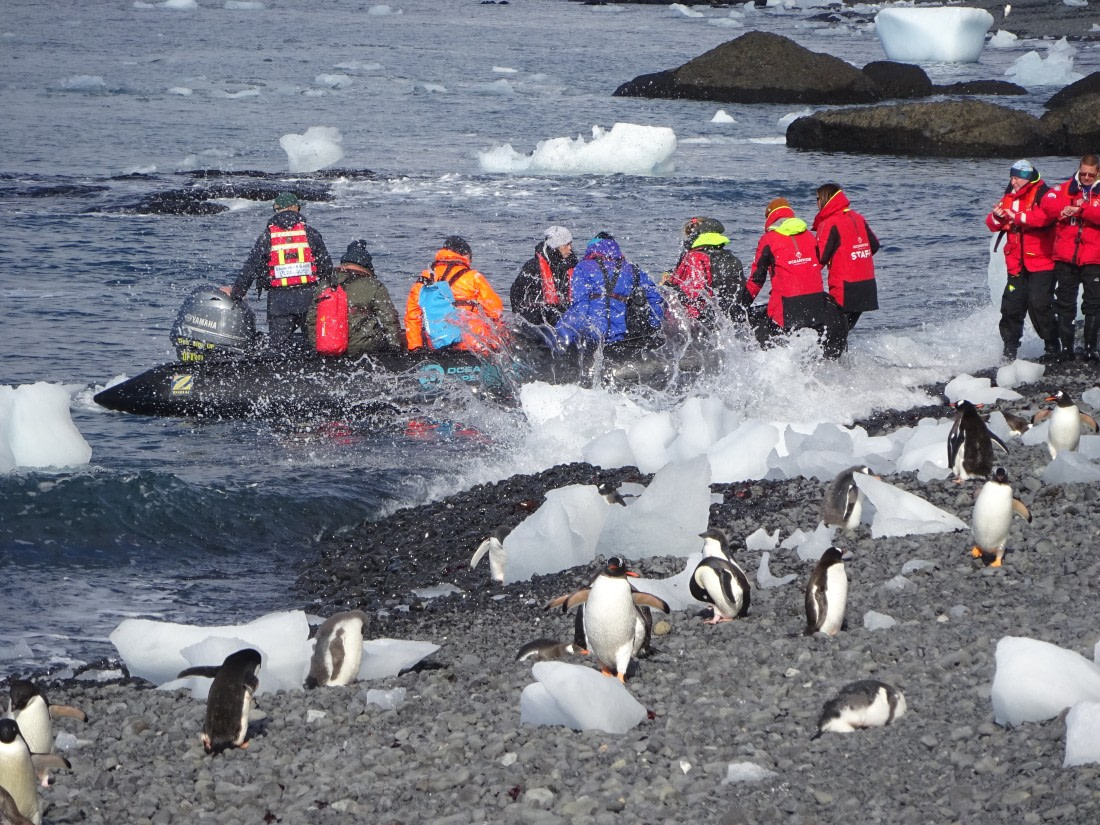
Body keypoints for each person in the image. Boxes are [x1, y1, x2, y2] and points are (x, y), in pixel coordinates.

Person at [744, 197, 846, 358]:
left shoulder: (768, 240)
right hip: (817, 307)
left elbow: (756, 280)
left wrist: (740, 305)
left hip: (786, 311)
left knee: (760, 332)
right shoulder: (810, 237)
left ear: (770, 218)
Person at [231, 191, 333, 347]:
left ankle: (277, 370)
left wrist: (237, 292)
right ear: (295, 208)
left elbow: (250, 267)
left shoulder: (267, 237)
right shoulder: (310, 233)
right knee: (314, 344)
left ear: (277, 209)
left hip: (279, 302)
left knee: (277, 347)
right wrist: (334, 289)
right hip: (309, 298)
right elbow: (327, 267)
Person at [984, 160, 1057, 363]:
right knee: (1011, 307)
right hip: (1016, 263)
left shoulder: (1044, 194)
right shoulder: (1009, 196)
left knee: (1040, 306)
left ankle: (1052, 347)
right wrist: (999, 217)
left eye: (1015, 178)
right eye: (1012, 177)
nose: (1012, 181)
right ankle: (1009, 351)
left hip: (1042, 263)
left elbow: (1044, 218)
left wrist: (1016, 217)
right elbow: (991, 223)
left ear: (1025, 178)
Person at [552, 232, 664, 350]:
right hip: (623, 334)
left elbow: (580, 305)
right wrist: (654, 326)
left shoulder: (583, 267)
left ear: (592, 247)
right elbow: (654, 300)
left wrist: (571, 336)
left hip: (594, 336)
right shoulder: (632, 268)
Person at [1040, 154, 1100, 361]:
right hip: (1066, 257)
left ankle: (1091, 349)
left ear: (1098, 172)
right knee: (1065, 303)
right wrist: (1065, 209)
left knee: (1093, 303)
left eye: (1090, 175)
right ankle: (1067, 350)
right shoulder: (1065, 188)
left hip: (1094, 258)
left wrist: (1080, 209)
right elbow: (1047, 203)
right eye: (1082, 173)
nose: (1085, 177)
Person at [404, 235, 505, 354]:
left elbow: (412, 314)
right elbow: (495, 312)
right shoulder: (473, 277)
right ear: (465, 255)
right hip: (473, 346)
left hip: (438, 344)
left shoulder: (426, 277)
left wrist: (415, 347)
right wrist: (498, 344)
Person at [305, 240, 402, 357]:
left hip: (329, 347)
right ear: (366, 266)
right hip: (364, 347)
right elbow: (389, 318)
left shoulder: (325, 284)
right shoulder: (374, 285)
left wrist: (319, 346)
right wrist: (395, 347)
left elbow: (311, 319)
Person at [813, 183, 880, 330]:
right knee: (842, 330)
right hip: (867, 288)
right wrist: (856, 256)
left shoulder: (829, 223)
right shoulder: (858, 217)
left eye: (817, 198)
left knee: (830, 331)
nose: (816, 202)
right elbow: (874, 245)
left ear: (825, 199)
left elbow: (820, 258)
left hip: (845, 289)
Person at [665, 216, 749, 327]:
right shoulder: (732, 259)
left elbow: (695, 292)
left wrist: (668, 285)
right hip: (729, 314)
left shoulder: (695, 257)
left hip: (703, 317)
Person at [510, 225, 578, 327]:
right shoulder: (533, 266)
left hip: (562, 315)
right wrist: (520, 314)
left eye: (570, 244)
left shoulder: (572, 265)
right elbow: (516, 291)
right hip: (537, 318)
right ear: (556, 246)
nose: (570, 248)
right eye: (566, 244)